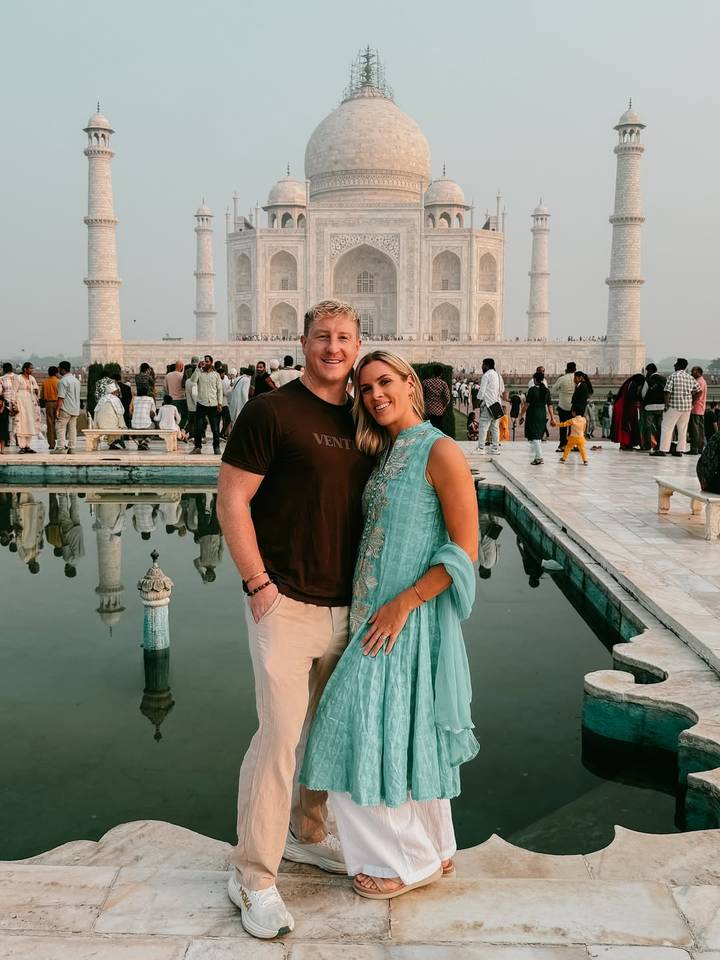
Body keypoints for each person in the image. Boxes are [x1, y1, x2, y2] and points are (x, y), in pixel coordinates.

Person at [217, 299, 374, 939]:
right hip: (286, 603)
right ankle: (253, 875)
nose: (333, 348)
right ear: (302, 340)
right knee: (280, 738)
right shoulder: (271, 411)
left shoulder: (367, 419)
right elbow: (232, 499)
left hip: (350, 609)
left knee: (328, 738)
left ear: (359, 343)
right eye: (321, 337)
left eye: (344, 338)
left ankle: (307, 833)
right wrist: (257, 584)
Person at [300, 349, 479, 903]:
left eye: (385, 382)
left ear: (410, 383)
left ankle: (404, 861)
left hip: (404, 619)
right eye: (365, 387)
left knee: (353, 732)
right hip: (375, 618)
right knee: (401, 733)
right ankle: (437, 846)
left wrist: (405, 603)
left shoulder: (439, 449)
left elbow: (464, 550)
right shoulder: (387, 452)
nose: (375, 395)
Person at [650, 358, 700, 458]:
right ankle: (680, 450)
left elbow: (667, 391)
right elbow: (699, 391)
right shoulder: (690, 377)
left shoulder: (673, 376)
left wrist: (667, 404)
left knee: (667, 428)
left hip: (674, 406)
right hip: (686, 407)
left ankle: (663, 450)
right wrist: (693, 403)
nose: (674, 365)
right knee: (683, 429)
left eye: (676, 364)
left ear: (679, 366)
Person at [520, 371, 556, 465]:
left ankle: (539, 457)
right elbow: (550, 405)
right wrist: (552, 418)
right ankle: (537, 456)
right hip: (542, 414)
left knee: (535, 435)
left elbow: (526, 405)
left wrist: (521, 415)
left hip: (533, 414)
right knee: (539, 435)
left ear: (535, 380)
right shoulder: (546, 391)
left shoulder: (532, 390)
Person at [190, 355, 224, 455]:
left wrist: (220, 403)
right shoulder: (199, 373)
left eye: (207, 361)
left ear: (211, 363)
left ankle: (216, 447)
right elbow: (192, 381)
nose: (205, 363)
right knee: (198, 427)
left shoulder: (216, 375)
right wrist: (198, 368)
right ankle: (197, 447)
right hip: (201, 403)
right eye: (204, 361)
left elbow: (219, 390)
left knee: (215, 428)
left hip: (213, 404)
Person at [475, 358, 504, 456]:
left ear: (487, 365)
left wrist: (478, 400)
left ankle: (481, 448)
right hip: (496, 404)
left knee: (483, 426)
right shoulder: (498, 375)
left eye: (483, 365)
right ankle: (495, 448)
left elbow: (482, 391)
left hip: (488, 404)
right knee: (495, 428)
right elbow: (502, 390)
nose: (482, 367)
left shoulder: (486, 375)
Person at [610, 373, 645, 451]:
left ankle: (625, 444)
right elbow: (631, 397)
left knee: (624, 425)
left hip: (621, 406)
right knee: (627, 425)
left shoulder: (629, 383)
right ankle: (626, 444)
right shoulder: (633, 385)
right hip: (625, 407)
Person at [54, 361, 81, 455]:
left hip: (65, 408)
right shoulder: (76, 380)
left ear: (62, 369)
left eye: (59, 368)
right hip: (75, 409)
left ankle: (60, 447)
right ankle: (72, 448)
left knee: (60, 428)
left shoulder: (63, 381)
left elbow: (61, 397)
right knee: (72, 429)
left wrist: (57, 410)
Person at [14, 362, 40, 453]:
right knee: (21, 424)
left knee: (29, 424)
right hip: (21, 403)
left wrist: (36, 390)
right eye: (30, 368)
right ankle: (22, 446)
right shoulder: (18, 378)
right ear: (25, 369)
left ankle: (28, 446)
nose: (32, 370)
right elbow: (14, 391)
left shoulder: (32, 378)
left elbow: (36, 388)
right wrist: (14, 404)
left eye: (32, 368)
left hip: (30, 404)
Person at [640, 363, 666, 450]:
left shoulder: (648, 380)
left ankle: (647, 445)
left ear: (649, 371)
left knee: (647, 426)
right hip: (661, 407)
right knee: (660, 427)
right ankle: (659, 445)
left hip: (649, 407)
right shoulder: (664, 379)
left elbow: (643, 393)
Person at [94, 382, 126, 449]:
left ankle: (111, 443)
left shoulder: (102, 399)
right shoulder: (115, 399)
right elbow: (120, 413)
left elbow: (96, 411)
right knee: (120, 426)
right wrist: (123, 425)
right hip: (112, 426)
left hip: (101, 425)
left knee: (113, 422)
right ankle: (114, 441)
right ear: (114, 392)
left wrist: (96, 425)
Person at [553, 362, 576, 451]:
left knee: (563, 426)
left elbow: (554, 389)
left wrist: (561, 390)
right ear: (575, 369)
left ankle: (562, 444)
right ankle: (572, 444)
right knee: (573, 426)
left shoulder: (562, 378)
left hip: (563, 405)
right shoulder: (578, 378)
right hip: (574, 406)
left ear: (566, 369)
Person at [420, 368, 451, 432]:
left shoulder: (425, 382)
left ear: (433, 373)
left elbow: (421, 395)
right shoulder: (443, 384)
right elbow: (447, 397)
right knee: (438, 430)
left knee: (428, 430)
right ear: (441, 374)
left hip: (428, 409)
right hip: (439, 411)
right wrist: (444, 406)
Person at [40, 365, 61, 451]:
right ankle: (61, 443)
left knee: (50, 424)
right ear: (56, 373)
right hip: (58, 403)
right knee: (60, 424)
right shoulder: (59, 381)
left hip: (48, 404)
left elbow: (41, 396)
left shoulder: (45, 382)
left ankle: (51, 444)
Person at [130, 384, 157, 451]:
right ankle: (145, 443)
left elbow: (131, 411)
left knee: (138, 426)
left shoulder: (135, 399)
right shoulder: (150, 399)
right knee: (153, 426)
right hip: (145, 425)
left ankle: (140, 443)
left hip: (134, 426)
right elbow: (153, 413)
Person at [689, 366, 708, 455]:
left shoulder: (698, 382)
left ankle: (694, 448)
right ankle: (700, 448)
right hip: (701, 408)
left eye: (693, 371)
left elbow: (697, 393)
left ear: (699, 372)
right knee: (700, 429)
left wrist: (692, 403)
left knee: (695, 429)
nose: (691, 372)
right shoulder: (703, 381)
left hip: (696, 408)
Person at [165, 360, 188, 432]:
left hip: (172, 399)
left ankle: (174, 429)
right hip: (182, 399)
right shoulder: (182, 376)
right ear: (181, 367)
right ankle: (180, 428)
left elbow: (165, 388)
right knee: (184, 416)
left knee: (173, 417)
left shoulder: (168, 375)